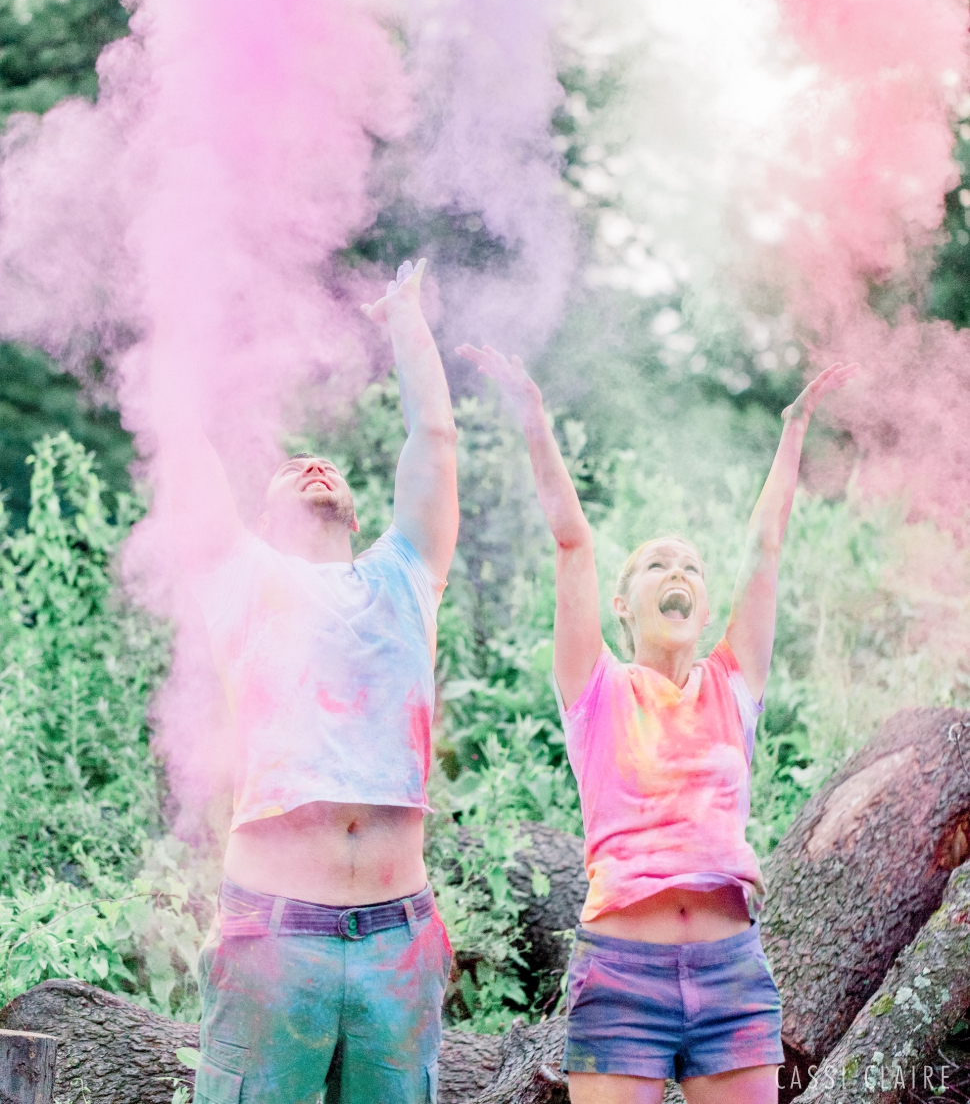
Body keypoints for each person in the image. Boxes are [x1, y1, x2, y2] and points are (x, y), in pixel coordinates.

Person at [457, 341, 857, 1104]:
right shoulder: (596, 689)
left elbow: (764, 548)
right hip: (620, 976)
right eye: (656, 564)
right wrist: (535, 420)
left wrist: (796, 427)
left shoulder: (733, 685)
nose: (678, 572)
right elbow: (572, 541)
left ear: (704, 604)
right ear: (623, 603)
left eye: (691, 567)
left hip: (732, 974)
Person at [178, 259, 459, 1104]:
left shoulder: (407, 573)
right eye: (291, 466)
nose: (313, 466)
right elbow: (185, 441)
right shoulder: (242, 577)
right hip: (273, 936)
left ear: (360, 510)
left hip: (398, 941)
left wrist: (404, 317)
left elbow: (434, 443)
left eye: (327, 464)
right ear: (261, 519)